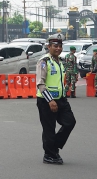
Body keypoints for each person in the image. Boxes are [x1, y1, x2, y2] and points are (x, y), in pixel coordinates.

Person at [35, 33, 76, 165]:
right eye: (55, 46)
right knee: (49, 128)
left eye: (60, 46)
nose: (58, 48)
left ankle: (53, 146)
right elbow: (40, 83)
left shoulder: (60, 62)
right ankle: (49, 155)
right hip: (46, 101)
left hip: (61, 100)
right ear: (49, 46)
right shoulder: (44, 61)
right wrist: (50, 100)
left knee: (70, 122)